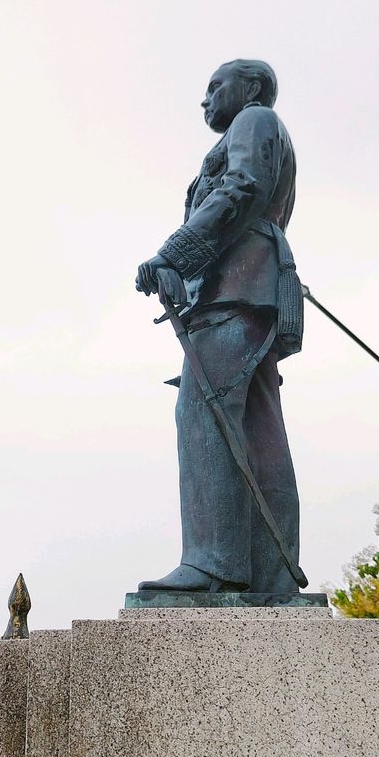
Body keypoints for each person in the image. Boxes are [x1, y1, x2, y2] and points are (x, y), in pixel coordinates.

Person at [135, 59, 302, 593]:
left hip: (240, 287)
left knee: (204, 412)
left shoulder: (253, 121)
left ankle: (215, 562)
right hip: (243, 286)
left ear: (250, 88)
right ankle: (271, 576)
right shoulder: (254, 126)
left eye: (214, 87)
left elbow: (242, 188)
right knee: (256, 426)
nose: (205, 100)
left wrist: (173, 255)